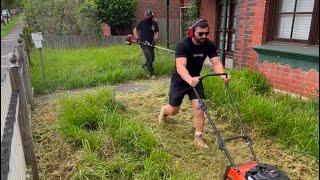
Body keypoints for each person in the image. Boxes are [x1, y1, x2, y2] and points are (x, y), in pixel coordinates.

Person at [158, 19, 231, 148]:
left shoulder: (209, 45)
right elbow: (180, 67)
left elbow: (216, 63)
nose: (204, 36)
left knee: (200, 107)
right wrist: (189, 79)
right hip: (180, 80)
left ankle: (198, 138)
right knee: (174, 110)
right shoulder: (183, 45)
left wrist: (222, 74)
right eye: (200, 34)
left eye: (206, 33)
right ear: (192, 32)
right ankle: (165, 110)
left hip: (196, 80)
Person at [133, 9, 159, 79]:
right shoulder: (142, 23)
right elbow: (135, 30)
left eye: (150, 16)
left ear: (152, 16)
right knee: (149, 58)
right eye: (147, 16)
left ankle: (144, 66)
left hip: (151, 44)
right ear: (145, 15)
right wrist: (137, 38)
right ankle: (150, 74)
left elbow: (156, 32)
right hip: (143, 43)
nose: (148, 17)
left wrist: (155, 39)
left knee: (152, 58)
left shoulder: (154, 23)